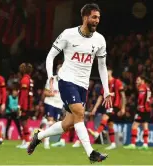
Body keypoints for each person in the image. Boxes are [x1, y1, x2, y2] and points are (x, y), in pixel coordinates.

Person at [27, 3, 112, 163]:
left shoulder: (100, 40)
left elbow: (102, 66)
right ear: (85, 17)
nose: (97, 20)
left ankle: (39, 136)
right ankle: (91, 153)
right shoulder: (68, 34)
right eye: (94, 17)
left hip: (83, 85)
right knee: (80, 114)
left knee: (68, 124)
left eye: (99, 18)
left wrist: (106, 90)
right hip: (66, 80)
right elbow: (51, 56)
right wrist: (50, 75)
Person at [88, 67, 126, 150]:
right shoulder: (104, 84)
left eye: (107, 71)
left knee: (104, 117)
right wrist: (94, 108)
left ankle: (97, 133)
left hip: (115, 106)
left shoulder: (117, 82)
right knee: (110, 124)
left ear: (111, 72)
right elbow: (100, 97)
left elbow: (123, 96)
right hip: (108, 106)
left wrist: (123, 108)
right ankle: (113, 144)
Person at [124, 76, 152, 150]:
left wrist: (139, 107)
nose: (136, 81)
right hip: (148, 110)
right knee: (145, 126)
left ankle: (133, 144)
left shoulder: (142, 87)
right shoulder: (147, 87)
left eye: (138, 80)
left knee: (134, 125)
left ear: (142, 80)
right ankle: (145, 144)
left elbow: (141, 98)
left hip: (142, 110)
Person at [43, 64, 63, 149]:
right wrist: (50, 94)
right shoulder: (51, 79)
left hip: (59, 105)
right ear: (57, 71)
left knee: (55, 124)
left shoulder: (66, 81)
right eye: (59, 70)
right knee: (50, 122)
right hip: (50, 103)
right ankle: (46, 141)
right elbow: (45, 92)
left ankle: (59, 141)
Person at [17, 63, 34, 149]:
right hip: (28, 104)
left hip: (25, 105)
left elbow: (23, 94)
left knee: (24, 122)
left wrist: (19, 106)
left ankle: (27, 141)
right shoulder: (29, 79)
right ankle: (24, 140)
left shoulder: (24, 79)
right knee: (23, 122)